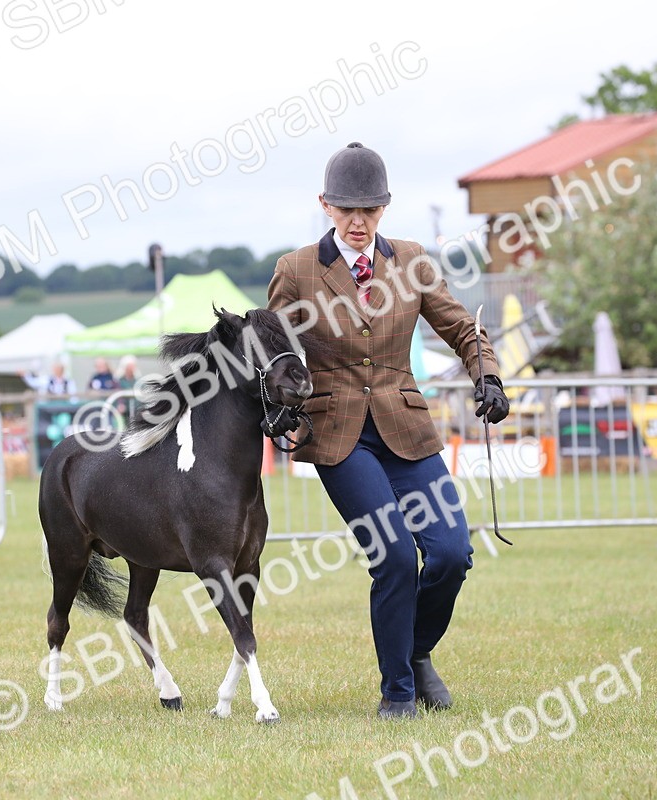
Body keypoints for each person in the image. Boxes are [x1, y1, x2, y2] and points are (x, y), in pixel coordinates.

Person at [267, 142, 509, 720]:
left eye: (369, 210)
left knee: (451, 554)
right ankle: (397, 691)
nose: (358, 221)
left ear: (385, 207)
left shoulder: (413, 261)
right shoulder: (296, 269)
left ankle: (417, 651)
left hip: (406, 428)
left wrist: (489, 376)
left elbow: (460, 328)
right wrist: (277, 399)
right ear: (325, 205)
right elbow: (272, 350)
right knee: (395, 556)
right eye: (347, 209)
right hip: (338, 435)